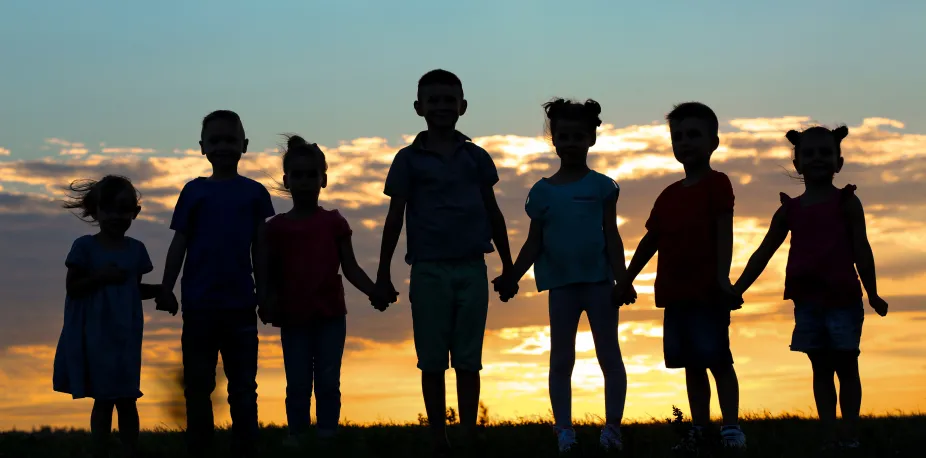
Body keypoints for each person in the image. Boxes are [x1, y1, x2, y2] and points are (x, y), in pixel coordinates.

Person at [376, 69, 514, 456]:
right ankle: (439, 435)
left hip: (472, 266)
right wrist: (383, 274)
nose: (441, 106)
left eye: (448, 99)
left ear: (463, 107)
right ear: (419, 107)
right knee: (433, 360)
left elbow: (493, 211)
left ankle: (469, 432)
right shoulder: (407, 160)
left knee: (469, 358)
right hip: (428, 269)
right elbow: (394, 218)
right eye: (432, 99)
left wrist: (509, 266)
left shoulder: (476, 156)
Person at [733, 126, 888, 451]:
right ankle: (830, 436)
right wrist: (738, 288)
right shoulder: (790, 209)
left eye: (825, 153)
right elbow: (764, 251)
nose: (818, 159)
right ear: (798, 163)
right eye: (810, 153)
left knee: (847, 365)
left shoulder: (847, 202)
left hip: (844, 299)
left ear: (838, 162)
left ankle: (851, 435)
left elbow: (862, 248)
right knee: (820, 368)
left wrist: (873, 293)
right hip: (808, 303)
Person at [494, 98, 631, 453]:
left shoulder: (603, 187)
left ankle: (612, 429)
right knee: (561, 359)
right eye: (564, 136)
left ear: (591, 140)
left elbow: (612, 237)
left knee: (609, 356)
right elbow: (533, 243)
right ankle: (564, 431)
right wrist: (512, 276)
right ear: (554, 140)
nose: (571, 143)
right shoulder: (541, 193)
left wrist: (623, 279)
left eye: (578, 136)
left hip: (600, 284)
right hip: (561, 287)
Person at [617, 102, 747, 451]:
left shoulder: (717, 184)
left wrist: (723, 279)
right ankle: (700, 428)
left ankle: (731, 428)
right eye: (678, 136)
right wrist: (626, 277)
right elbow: (651, 240)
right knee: (691, 364)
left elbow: (725, 231)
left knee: (718, 359)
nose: (685, 142)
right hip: (676, 293)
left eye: (694, 135)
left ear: (713, 142)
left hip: (708, 292)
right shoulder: (668, 195)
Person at [156, 110, 275, 458]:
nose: (223, 147)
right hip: (198, 306)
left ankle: (246, 444)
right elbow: (180, 242)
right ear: (202, 147)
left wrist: (265, 295)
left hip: (240, 305)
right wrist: (166, 287)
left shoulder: (254, 194)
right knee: (197, 384)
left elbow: (261, 248)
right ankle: (200, 444)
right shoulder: (193, 192)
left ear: (244, 146)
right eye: (216, 140)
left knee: (243, 386)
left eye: (230, 140)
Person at [260, 135, 393, 445]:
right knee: (297, 379)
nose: (305, 181)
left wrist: (374, 291)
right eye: (298, 175)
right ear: (286, 180)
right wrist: (264, 299)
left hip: (330, 313)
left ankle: (327, 431)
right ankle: (297, 432)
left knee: (328, 378)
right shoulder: (276, 228)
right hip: (292, 315)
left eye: (311, 175)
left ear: (324, 180)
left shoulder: (334, 222)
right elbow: (266, 270)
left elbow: (351, 267)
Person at [53, 175, 161, 458]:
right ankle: (99, 448)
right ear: (95, 211)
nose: (116, 216)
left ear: (134, 213)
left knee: (127, 397)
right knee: (103, 399)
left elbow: (132, 289)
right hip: (97, 336)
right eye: (109, 209)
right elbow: (73, 288)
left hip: (126, 336)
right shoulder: (84, 247)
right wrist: (100, 277)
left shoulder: (136, 250)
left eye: (124, 209)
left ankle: (130, 449)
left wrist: (161, 291)